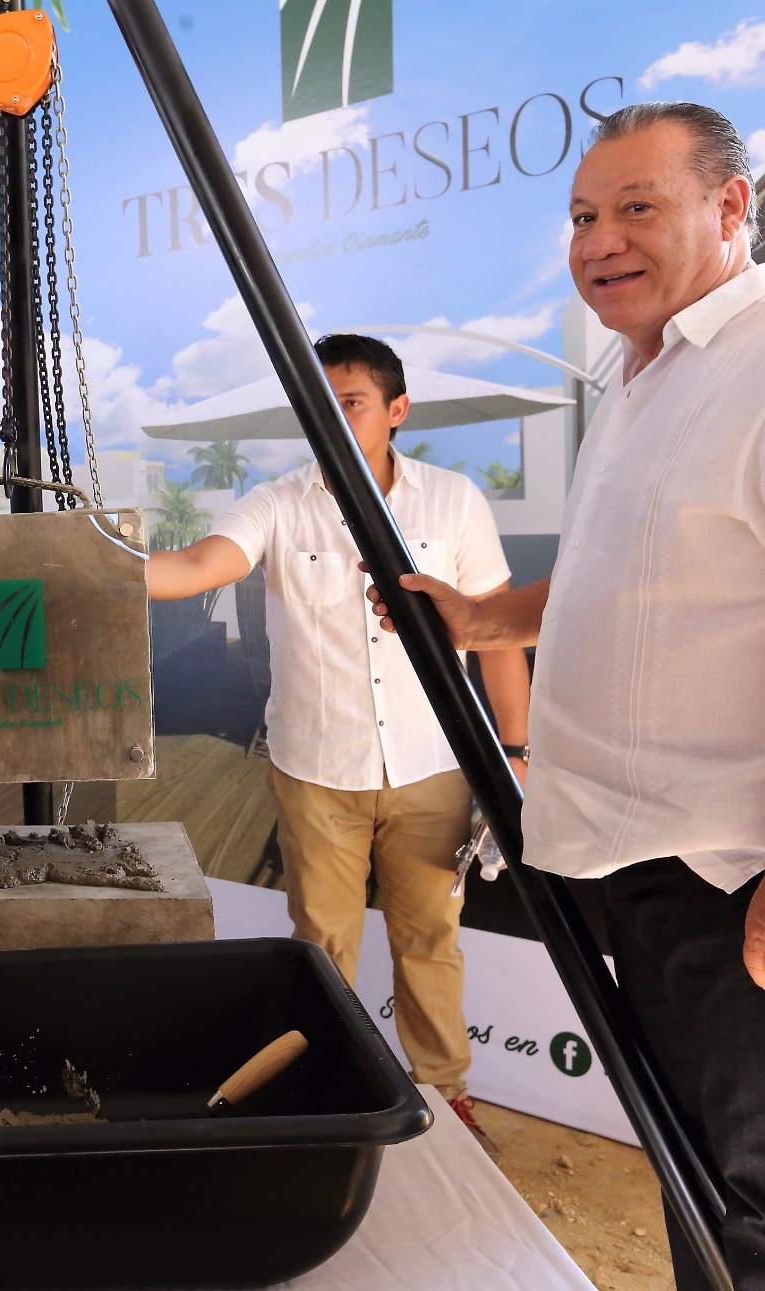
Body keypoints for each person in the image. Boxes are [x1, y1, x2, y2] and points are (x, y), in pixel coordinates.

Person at [369, 103, 765, 1289]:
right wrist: (484, 620)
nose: (600, 241)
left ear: (731, 206)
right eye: (584, 215)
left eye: (637, 207)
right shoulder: (645, 378)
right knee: (702, 1181)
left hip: (730, 876)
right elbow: (628, 572)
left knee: (752, 1196)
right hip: (640, 863)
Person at [148, 335, 532, 1152]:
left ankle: (445, 1094)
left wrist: (516, 752)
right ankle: (328, 1094)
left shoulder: (454, 500)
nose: (330, 416)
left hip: (432, 767)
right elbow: (199, 564)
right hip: (317, 769)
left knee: (430, 939)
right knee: (322, 945)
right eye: (315, 402)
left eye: (350, 401)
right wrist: (91, 563)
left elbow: (498, 635)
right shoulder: (278, 503)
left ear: (397, 410)